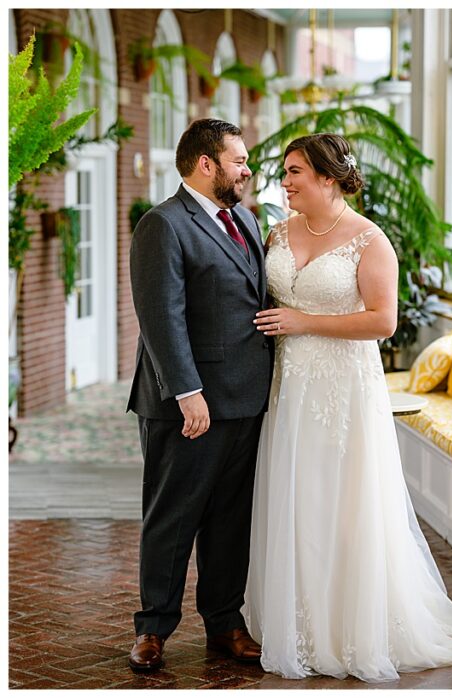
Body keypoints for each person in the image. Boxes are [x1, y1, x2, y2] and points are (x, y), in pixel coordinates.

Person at [242, 133, 452, 682]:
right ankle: (298, 622)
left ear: (327, 178)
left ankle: (349, 627)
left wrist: (303, 322)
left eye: (293, 172)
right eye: (285, 173)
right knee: (295, 494)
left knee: (343, 499)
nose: (284, 182)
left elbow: (383, 322)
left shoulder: (370, 240)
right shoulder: (277, 232)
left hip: (342, 390)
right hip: (288, 385)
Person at [127, 118, 272, 672]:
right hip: (187, 404)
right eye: (239, 160)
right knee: (173, 516)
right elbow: (161, 317)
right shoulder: (162, 224)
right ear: (206, 164)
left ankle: (224, 624)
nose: (247, 169)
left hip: (245, 399)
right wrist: (188, 392)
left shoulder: (249, 223)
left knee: (230, 520)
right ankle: (152, 630)